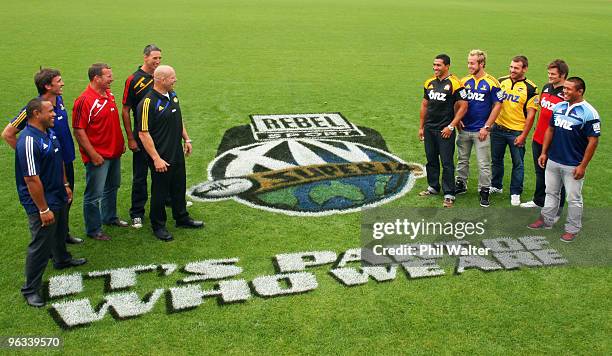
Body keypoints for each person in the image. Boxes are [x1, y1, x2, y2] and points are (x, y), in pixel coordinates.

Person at [15, 98, 87, 307]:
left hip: (58, 194)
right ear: (36, 114)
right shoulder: (28, 140)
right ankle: (30, 289)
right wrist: (43, 208)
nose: (54, 114)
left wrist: (65, 184)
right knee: (40, 243)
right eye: (50, 111)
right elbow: (31, 179)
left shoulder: (50, 132)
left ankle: (62, 259)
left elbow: (59, 160)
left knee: (60, 230)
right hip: (42, 201)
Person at [2, 69, 83, 244]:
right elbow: (8, 134)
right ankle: (49, 245)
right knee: (52, 203)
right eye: (59, 81)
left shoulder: (58, 100)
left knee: (66, 200)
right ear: (47, 86)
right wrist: (32, 157)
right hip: (49, 166)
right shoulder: (34, 109)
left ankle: (63, 234)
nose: (62, 84)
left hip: (64, 160)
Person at [528, 77, 600, 242]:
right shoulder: (559, 106)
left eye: (568, 89)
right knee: (550, 193)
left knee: (573, 198)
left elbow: (593, 141)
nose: (564, 91)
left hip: (573, 164)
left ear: (580, 91)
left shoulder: (589, 112)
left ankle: (572, 229)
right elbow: (550, 130)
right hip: (553, 159)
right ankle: (546, 220)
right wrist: (544, 152)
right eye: (564, 88)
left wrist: (583, 165)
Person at [137, 65, 203, 241]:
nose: (176, 80)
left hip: (176, 152)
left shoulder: (172, 95)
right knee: (160, 191)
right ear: (161, 80)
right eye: (172, 78)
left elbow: (178, 119)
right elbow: (143, 133)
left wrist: (187, 139)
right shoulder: (148, 103)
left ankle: (181, 217)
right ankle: (158, 226)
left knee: (179, 186)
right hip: (161, 156)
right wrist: (156, 158)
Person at [72, 63, 127, 241]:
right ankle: (94, 229)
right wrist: (93, 154)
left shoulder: (108, 95)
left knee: (112, 186)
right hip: (99, 157)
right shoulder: (84, 101)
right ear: (96, 78)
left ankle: (110, 217)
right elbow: (79, 131)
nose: (112, 79)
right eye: (108, 76)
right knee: (94, 194)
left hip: (114, 152)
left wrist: (120, 143)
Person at [419, 54, 468, 208]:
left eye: (439, 65)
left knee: (447, 162)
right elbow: (425, 105)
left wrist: (451, 126)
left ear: (447, 66)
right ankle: (433, 187)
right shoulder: (429, 82)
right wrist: (421, 127)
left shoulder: (456, 83)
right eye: (434, 65)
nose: (435, 68)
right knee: (431, 159)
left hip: (445, 129)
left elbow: (464, 106)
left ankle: (449, 193)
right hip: (429, 128)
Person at [122, 44, 162, 229]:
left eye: (159, 58)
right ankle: (137, 212)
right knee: (140, 175)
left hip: (161, 134)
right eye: (155, 58)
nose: (157, 61)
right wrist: (130, 137)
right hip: (142, 135)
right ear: (145, 57)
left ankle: (167, 200)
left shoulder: (161, 75)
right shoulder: (134, 79)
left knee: (164, 169)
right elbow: (125, 110)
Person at [490, 55, 539, 206]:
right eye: (511, 67)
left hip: (516, 132)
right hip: (497, 129)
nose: (512, 70)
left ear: (524, 69)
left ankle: (515, 192)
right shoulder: (501, 81)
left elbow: (531, 115)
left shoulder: (531, 88)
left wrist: (524, 135)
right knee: (496, 160)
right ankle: (496, 185)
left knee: (518, 163)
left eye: (516, 68)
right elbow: (494, 103)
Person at [521, 60, 569, 211]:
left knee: (557, 175)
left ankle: (557, 206)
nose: (550, 76)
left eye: (553, 74)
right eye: (549, 73)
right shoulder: (546, 88)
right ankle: (539, 200)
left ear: (563, 75)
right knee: (540, 171)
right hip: (539, 138)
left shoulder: (567, 93)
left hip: (556, 141)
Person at [457, 49, 502, 207]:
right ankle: (461, 184)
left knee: (483, 163)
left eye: (472, 63)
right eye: (468, 62)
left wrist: (487, 126)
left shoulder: (492, 82)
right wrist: (457, 120)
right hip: (464, 129)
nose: (469, 65)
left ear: (481, 64)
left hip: (481, 131)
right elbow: (457, 102)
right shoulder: (464, 81)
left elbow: (498, 106)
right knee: (462, 159)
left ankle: (484, 190)